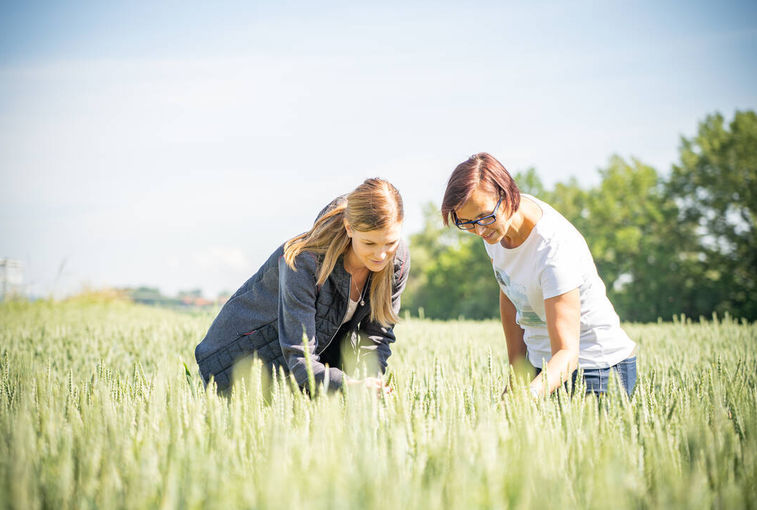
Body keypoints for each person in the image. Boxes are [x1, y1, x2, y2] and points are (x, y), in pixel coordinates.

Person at [441, 153, 637, 397]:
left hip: (596, 367)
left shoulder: (553, 248)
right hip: (541, 363)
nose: (479, 230)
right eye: (466, 223)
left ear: (507, 194)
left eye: (484, 217)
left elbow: (567, 353)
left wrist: (526, 396)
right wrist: (516, 376)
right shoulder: (494, 229)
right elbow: (509, 290)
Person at [195, 178, 409, 395]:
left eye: (390, 243)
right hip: (234, 367)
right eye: (369, 243)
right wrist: (350, 386)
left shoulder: (397, 263)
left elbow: (377, 337)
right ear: (349, 228)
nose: (381, 255)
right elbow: (300, 359)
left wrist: (371, 384)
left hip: (299, 379)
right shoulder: (303, 261)